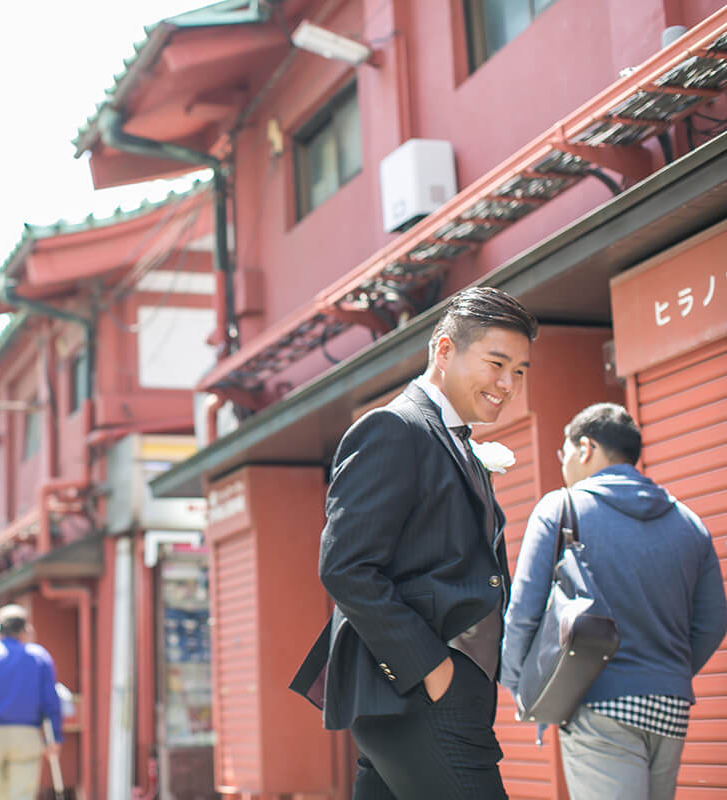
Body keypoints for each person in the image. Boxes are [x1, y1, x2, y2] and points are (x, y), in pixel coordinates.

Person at [291, 286, 537, 799]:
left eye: (519, 370)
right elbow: (346, 566)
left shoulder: (455, 441)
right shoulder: (394, 428)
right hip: (417, 688)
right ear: (444, 350)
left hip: (431, 691)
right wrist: (431, 668)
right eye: (496, 362)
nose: (507, 383)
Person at [502, 403, 727, 799]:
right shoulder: (690, 523)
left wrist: (523, 687)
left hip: (595, 700)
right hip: (669, 705)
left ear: (585, 448)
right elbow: (712, 622)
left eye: (565, 453)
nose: (564, 464)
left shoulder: (562, 508)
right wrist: (664, 672)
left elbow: (523, 613)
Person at [0, 604, 63, 800]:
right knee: (22, 795)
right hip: (27, 736)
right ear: (25, 629)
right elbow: (51, 700)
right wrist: (55, 736)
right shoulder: (38, 657)